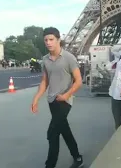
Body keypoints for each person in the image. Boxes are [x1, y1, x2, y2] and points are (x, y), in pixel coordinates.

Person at [31, 27, 84, 168]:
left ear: (58, 40)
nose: (48, 43)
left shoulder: (69, 58)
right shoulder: (45, 60)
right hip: (52, 101)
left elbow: (79, 81)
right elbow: (45, 81)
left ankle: (50, 165)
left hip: (65, 101)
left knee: (52, 133)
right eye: (46, 40)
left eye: (51, 39)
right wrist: (36, 98)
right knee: (64, 130)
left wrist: (66, 95)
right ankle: (77, 157)